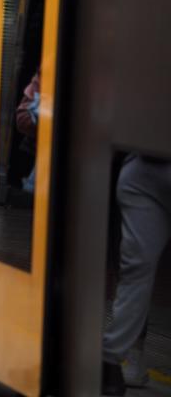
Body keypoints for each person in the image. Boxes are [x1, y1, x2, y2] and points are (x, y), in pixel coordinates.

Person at [102, 155, 171, 396]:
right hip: (143, 170)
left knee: (135, 271)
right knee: (135, 270)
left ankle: (111, 360)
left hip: (142, 167)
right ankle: (111, 358)